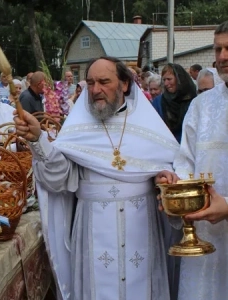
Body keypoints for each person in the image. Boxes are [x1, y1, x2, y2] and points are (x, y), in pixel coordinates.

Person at [14, 56, 179, 299]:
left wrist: (165, 179)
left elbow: (167, 169)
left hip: (142, 231)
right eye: (90, 83)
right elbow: (59, 178)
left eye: (104, 81)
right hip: (92, 231)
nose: (95, 90)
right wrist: (39, 140)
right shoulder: (78, 128)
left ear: (124, 84)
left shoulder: (148, 127)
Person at [157, 21, 228, 300]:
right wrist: (174, 187)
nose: (222, 57)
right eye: (218, 48)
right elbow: (185, 161)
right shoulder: (201, 106)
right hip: (205, 240)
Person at [151, 63, 197, 143]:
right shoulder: (158, 102)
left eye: (169, 79)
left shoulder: (193, 101)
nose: (166, 83)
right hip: (166, 147)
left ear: (179, 79)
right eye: (164, 80)